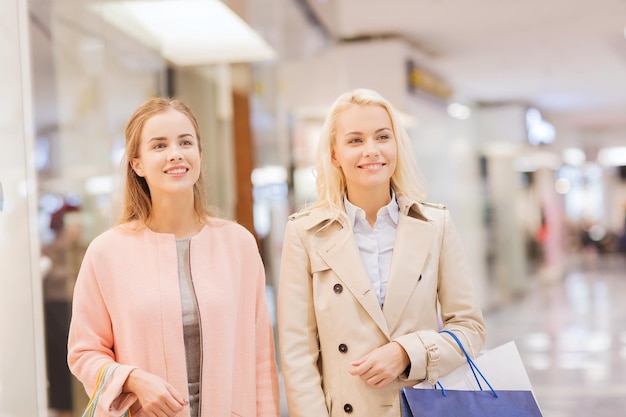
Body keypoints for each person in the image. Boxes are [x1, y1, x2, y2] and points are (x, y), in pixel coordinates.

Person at [277, 88, 486, 417]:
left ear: (397, 145)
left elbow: (470, 328)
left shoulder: (434, 224)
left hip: (422, 407)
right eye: (355, 140)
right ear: (334, 154)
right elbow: (297, 353)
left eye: (382, 137)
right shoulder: (305, 233)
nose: (371, 151)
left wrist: (407, 352)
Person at [67, 97, 280, 417]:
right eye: (159, 145)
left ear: (199, 154)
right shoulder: (106, 253)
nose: (175, 154)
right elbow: (84, 353)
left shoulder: (238, 245)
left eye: (185, 142)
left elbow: (261, 357)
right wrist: (133, 380)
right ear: (136, 163)